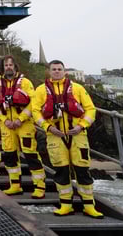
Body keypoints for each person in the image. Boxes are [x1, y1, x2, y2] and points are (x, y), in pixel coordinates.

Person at [33, 60, 102, 218]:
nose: (57, 71)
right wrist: (48, 127)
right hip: (54, 136)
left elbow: (90, 109)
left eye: (59, 69)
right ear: (49, 72)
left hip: (77, 135)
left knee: (82, 170)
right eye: (54, 69)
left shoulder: (78, 88)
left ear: (65, 71)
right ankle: (66, 205)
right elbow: (35, 111)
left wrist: (81, 126)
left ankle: (89, 206)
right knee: (61, 171)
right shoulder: (41, 90)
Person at [0, 56, 45, 199]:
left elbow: (33, 103)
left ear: (15, 66)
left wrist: (21, 119)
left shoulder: (25, 82)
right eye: (6, 65)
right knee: (9, 155)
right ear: (3, 67)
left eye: (11, 64)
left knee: (31, 155)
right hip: (7, 125)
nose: (8, 67)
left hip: (24, 125)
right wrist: (4, 120)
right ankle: (15, 185)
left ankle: (39, 187)